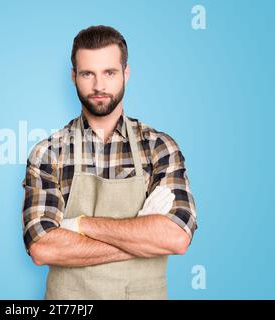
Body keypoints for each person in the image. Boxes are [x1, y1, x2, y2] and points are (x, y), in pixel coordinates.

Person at [21, 25, 197, 300]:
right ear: (73, 77)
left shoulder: (159, 148)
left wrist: (79, 225)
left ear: (126, 74)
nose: (99, 86)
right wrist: (141, 237)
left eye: (109, 73)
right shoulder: (49, 153)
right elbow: (44, 249)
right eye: (87, 73)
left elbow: (176, 238)